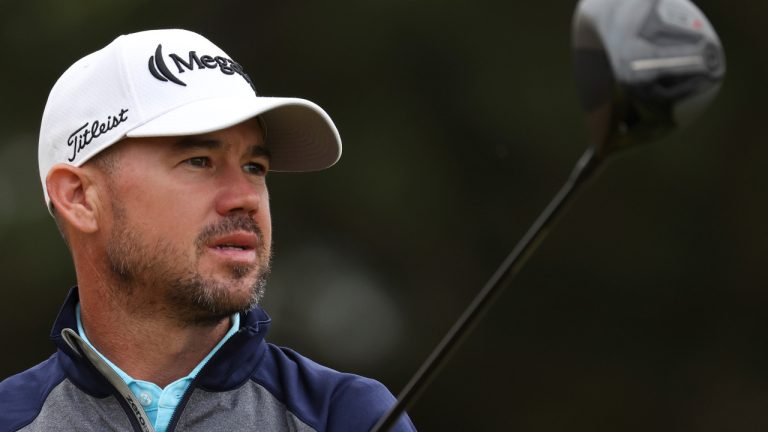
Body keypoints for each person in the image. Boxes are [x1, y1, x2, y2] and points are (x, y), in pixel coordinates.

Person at [0, 29, 416, 432]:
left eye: (255, 167)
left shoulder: (345, 417)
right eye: (199, 160)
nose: (246, 197)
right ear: (78, 197)